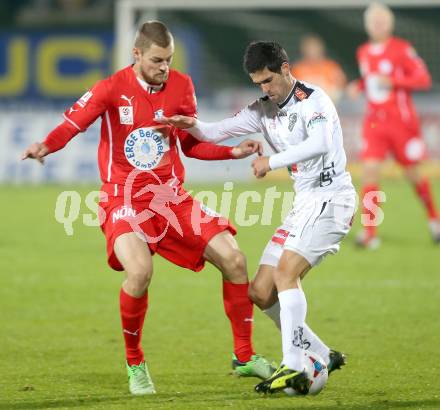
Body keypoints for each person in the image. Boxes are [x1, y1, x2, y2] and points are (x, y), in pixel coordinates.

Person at [21, 21, 275, 396]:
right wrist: (45, 146)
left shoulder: (181, 86)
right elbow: (72, 124)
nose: (164, 67)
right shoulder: (111, 88)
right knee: (139, 272)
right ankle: (135, 362)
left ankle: (244, 355)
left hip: (170, 197)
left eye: (169, 60)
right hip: (122, 198)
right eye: (157, 60)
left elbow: (190, 144)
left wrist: (232, 151)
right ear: (136, 54)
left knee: (235, 260)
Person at [159, 41, 356, 395]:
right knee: (261, 292)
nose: (264, 89)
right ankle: (322, 354)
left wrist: (272, 162)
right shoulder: (261, 109)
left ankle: (294, 366)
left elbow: (321, 143)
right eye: (257, 84)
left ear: (284, 68)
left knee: (286, 274)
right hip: (304, 204)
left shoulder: (314, 100)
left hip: (333, 199)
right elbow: (215, 132)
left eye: (267, 80)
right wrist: (191, 124)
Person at [347, 2, 440, 249]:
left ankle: (434, 220)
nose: (378, 25)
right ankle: (370, 233)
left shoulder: (402, 49)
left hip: (402, 123)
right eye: (374, 22)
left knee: (413, 174)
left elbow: (423, 78)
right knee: (369, 172)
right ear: (368, 25)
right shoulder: (363, 51)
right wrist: (359, 86)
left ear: (389, 23)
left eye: (382, 21)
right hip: (375, 124)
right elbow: (372, 80)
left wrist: (394, 81)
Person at [291, 34, 346, 104]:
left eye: (314, 48)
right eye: (309, 48)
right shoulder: (297, 69)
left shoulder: (331, 66)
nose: (312, 52)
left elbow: (341, 87)